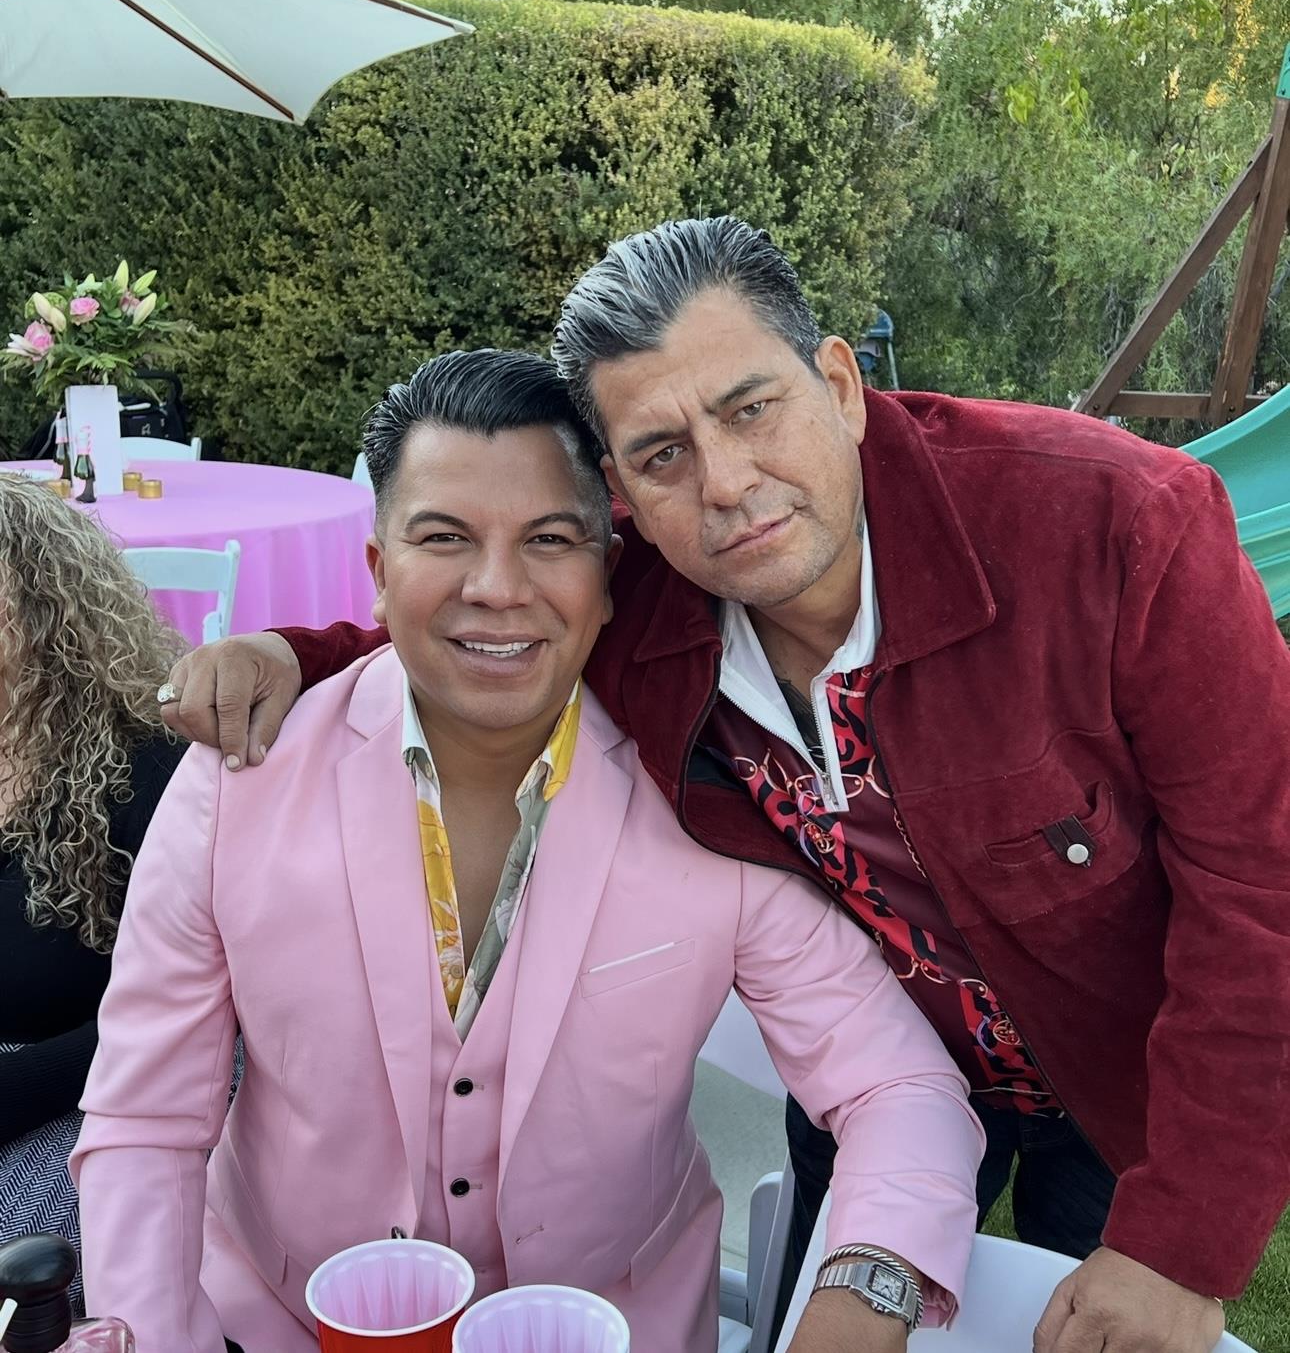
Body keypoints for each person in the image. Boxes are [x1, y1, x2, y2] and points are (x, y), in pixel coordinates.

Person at [163, 219, 1290, 1353]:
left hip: (1127, 1072)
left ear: (839, 384)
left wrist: (1180, 1244)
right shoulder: (648, 602)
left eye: (752, 409)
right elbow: (482, 622)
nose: (727, 485)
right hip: (873, 1062)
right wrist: (293, 657)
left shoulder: (1117, 526)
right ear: (622, 495)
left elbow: (1265, 886)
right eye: (663, 454)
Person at [73, 350, 984, 1353]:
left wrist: (862, 1302)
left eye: (549, 539)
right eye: (444, 538)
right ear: (378, 573)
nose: (498, 588)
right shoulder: (239, 782)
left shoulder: (707, 800)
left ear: (607, 578)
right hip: (282, 1323)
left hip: (621, 1326)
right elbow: (146, 1121)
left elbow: (898, 1086)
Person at [0, 475, 184, 1282]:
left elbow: (196, 1014)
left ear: (46, 603)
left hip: (88, 1096)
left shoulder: (149, 770)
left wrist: (17, 1085)